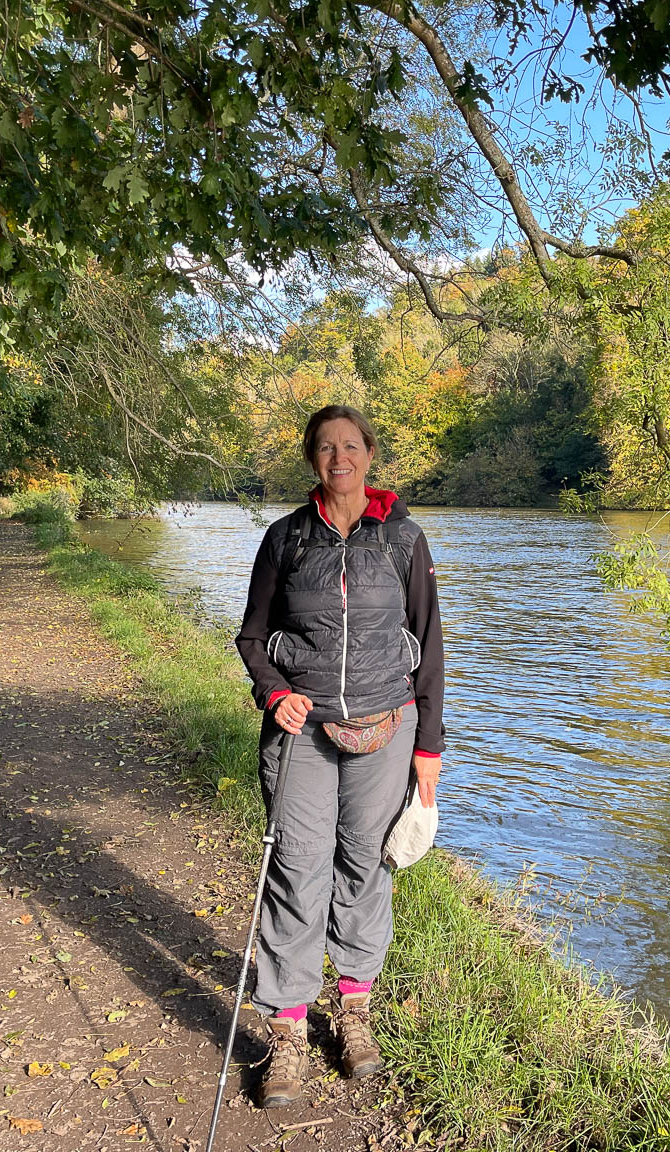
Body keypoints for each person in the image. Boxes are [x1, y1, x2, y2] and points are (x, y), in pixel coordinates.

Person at [234, 403, 445, 1108]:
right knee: (296, 871)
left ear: (371, 453)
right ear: (312, 460)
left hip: (388, 732)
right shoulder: (285, 539)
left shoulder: (405, 541)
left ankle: (353, 1014)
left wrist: (430, 751)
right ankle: (288, 1031)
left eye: (350, 446)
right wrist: (273, 693)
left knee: (365, 865)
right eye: (325, 448)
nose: (339, 458)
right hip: (301, 735)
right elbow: (253, 638)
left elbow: (431, 651)